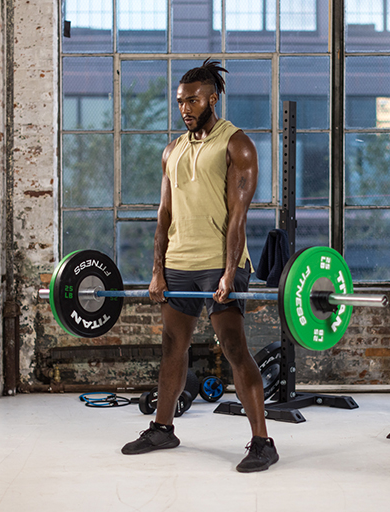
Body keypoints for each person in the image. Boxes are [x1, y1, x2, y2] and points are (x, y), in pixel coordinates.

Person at [122, 59, 278, 473]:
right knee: (174, 346)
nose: (185, 108)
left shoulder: (236, 144)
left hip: (219, 263)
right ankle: (163, 428)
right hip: (179, 263)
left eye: (192, 100)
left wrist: (230, 273)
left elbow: (238, 216)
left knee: (232, 346)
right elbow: (163, 215)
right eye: (180, 102)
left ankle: (262, 441)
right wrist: (158, 270)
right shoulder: (172, 149)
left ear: (213, 98)